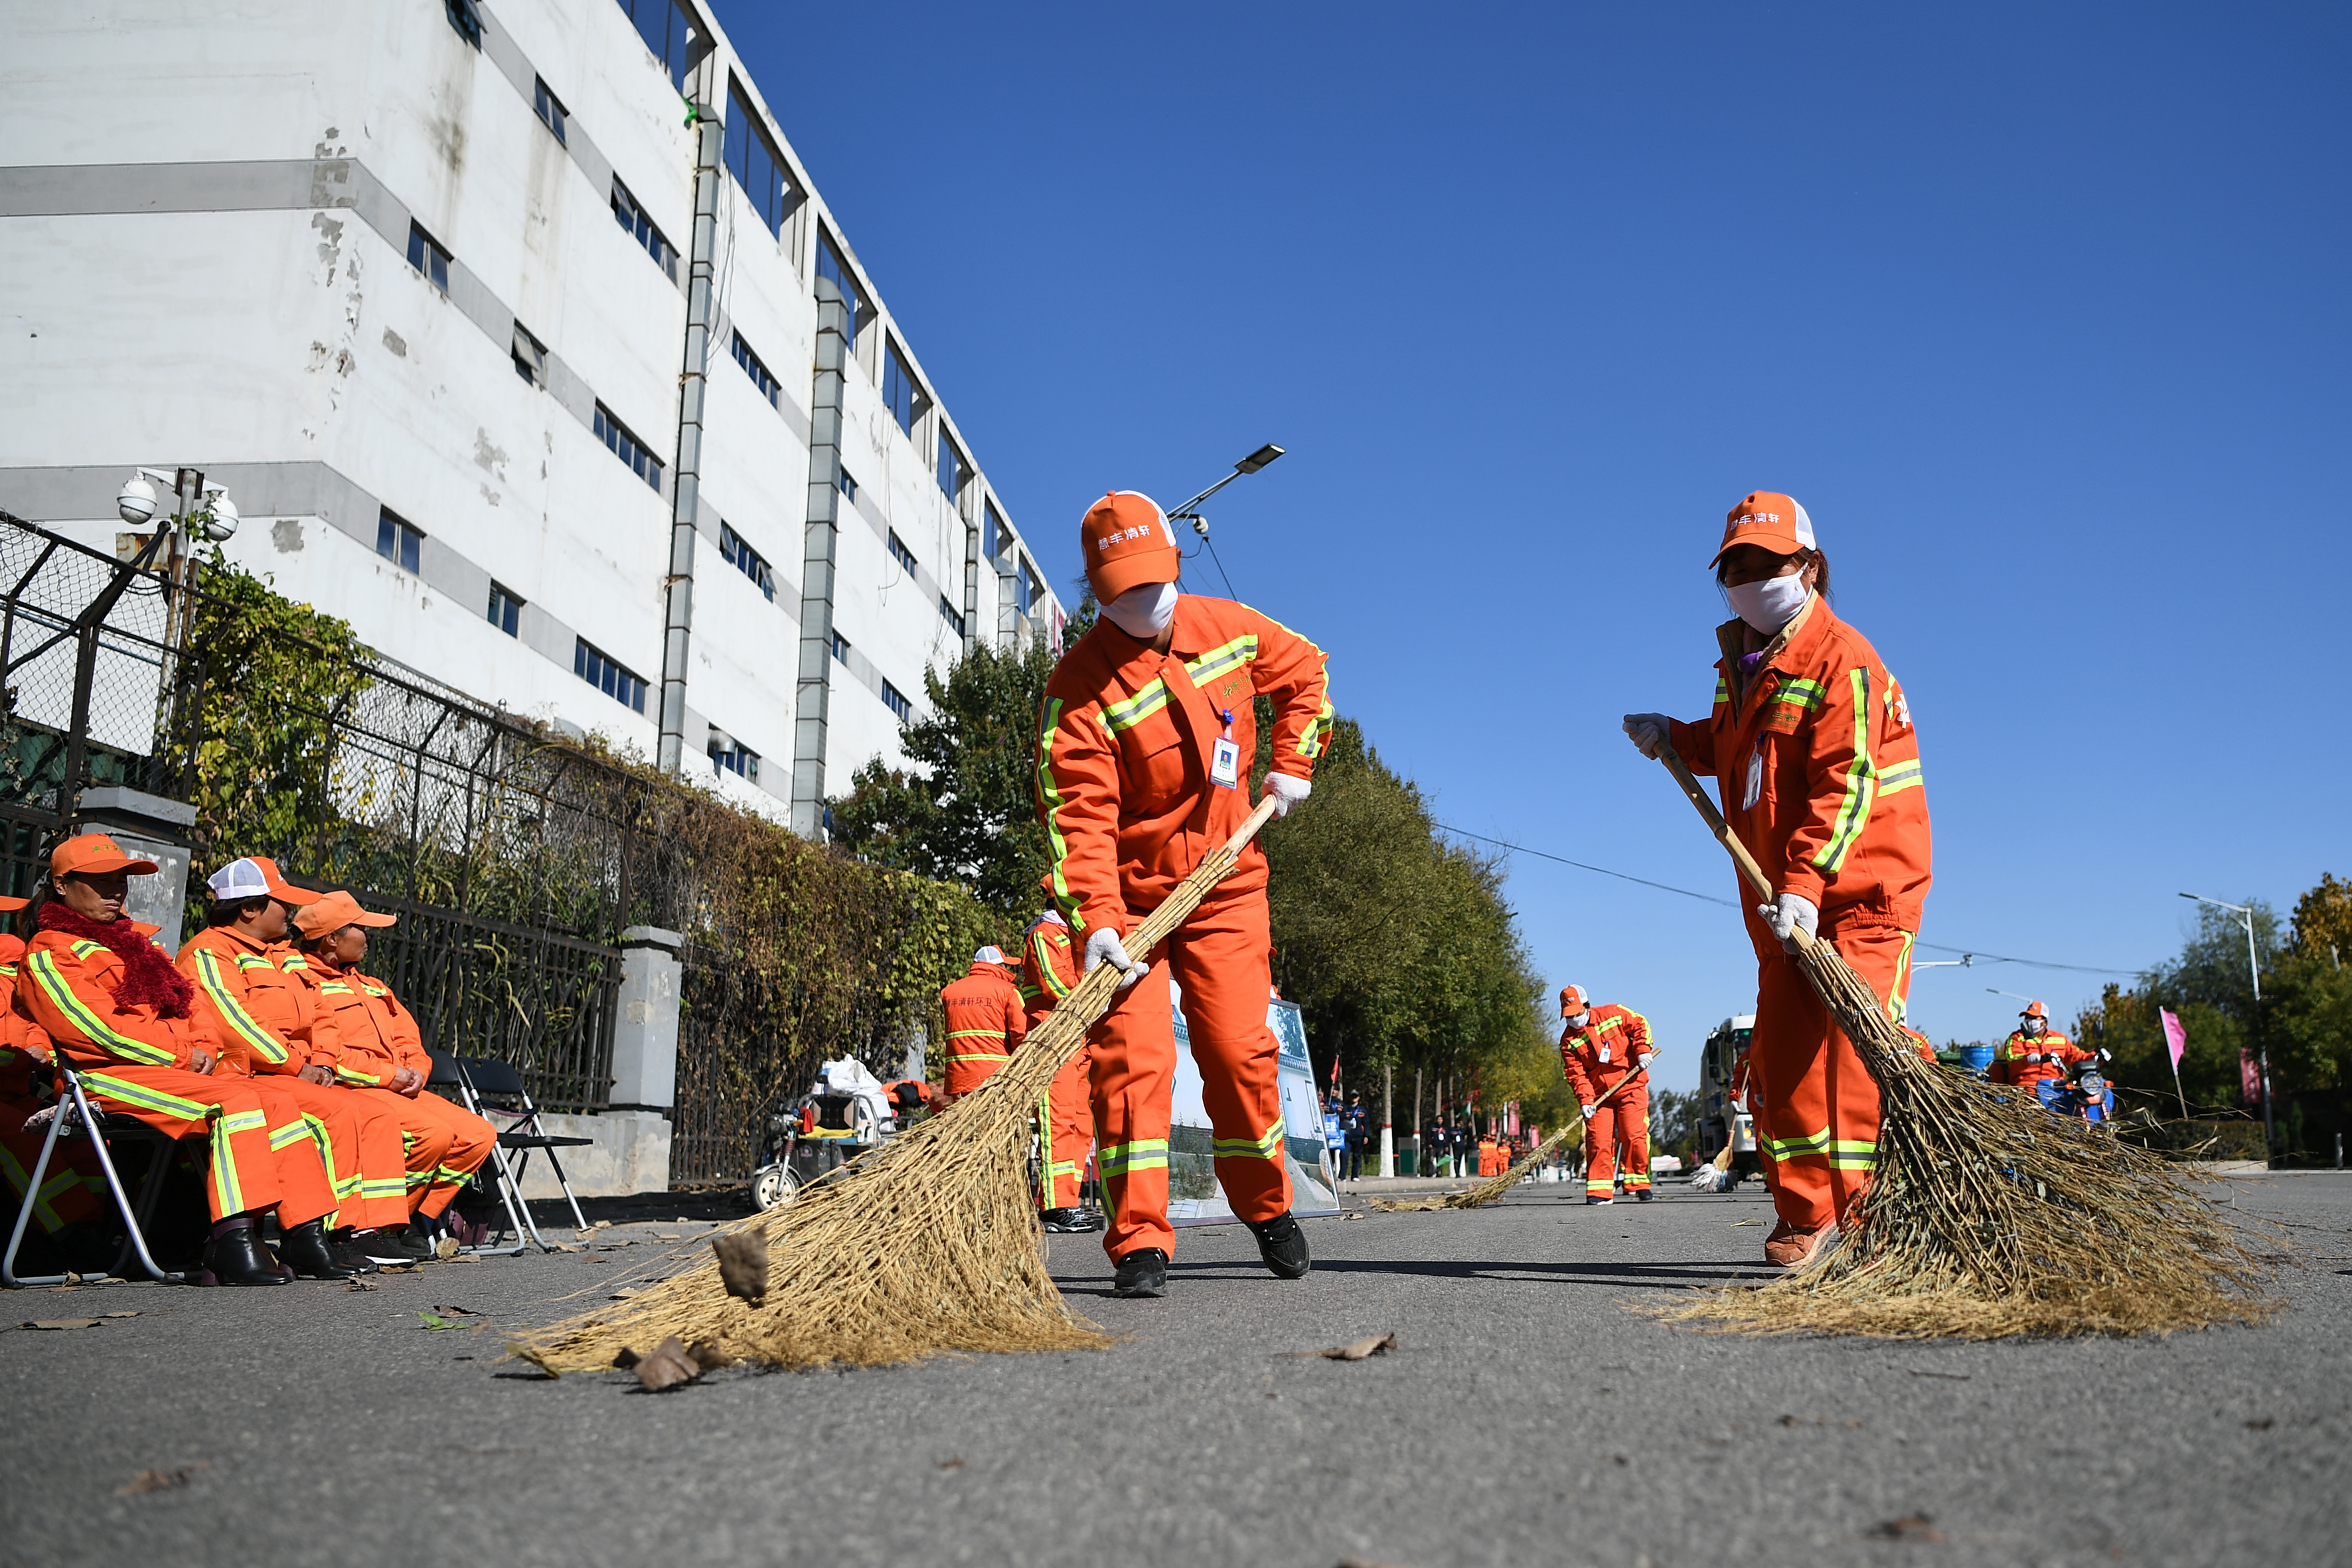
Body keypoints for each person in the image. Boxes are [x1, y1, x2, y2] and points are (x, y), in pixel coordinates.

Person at [1033, 489, 1332, 1298]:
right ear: (1098, 591)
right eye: (1127, 590)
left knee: (1238, 1050)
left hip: (1228, 883)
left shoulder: (1227, 628)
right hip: (1130, 908)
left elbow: (1306, 669)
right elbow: (1080, 820)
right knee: (1134, 1061)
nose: (1149, 601)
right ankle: (1138, 1241)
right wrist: (1096, 921)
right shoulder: (1077, 693)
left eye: (1159, 580)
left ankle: (1268, 1209)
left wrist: (1295, 761)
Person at [1624, 491, 1930, 1269]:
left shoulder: (1843, 659)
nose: (1749, 579)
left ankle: (1867, 1221)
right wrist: (1678, 738)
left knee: (1854, 1060)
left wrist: (1804, 885)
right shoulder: (1743, 664)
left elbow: (1845, 787)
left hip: (1860, 894)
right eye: (1735, 568)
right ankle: (1807, 1211)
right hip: (1779, 906)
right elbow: (1736, 751)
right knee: (1784, 1063)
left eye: (1767, 565)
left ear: (1811, 569)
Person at [15, 834, 344, 1285]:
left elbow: (194, 1009)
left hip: (172, 1073)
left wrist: (204, 1050)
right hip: (103, 1079)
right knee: (238, 1105)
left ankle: (304, 1235)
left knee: (277, 1102)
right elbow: (94, 1031)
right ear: (60, 885)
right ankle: (231, 1240)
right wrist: (184, 1055)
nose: (116, 891)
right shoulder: (50, 950)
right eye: (101, 881)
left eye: (121, 880)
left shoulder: (136, 947)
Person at [179, 858, 414, 1276]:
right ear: (249, 909)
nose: (289, 913)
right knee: (340, 1112)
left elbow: (323, 1015)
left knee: (372, 1112)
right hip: (255, 1075)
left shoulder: (283, 955)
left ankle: (350, 1232)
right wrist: (296, 1066)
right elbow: (235, 1024)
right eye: (280, 902)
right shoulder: (208, 952)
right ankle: (324, 1233)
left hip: (298, 1072)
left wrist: (322, 1060)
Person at [287, 890, 495, 1240]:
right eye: (360, 928)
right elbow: (325, 1054)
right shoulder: (306, 984)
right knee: (433, 1135)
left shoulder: (372, 986)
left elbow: (408, 1038)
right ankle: (383, 1223)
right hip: (355, 1090)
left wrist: (418, 1071)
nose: (369, 936)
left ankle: (416, 1216)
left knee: (479, 1134)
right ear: (332, 939)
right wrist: (389, 1075)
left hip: (400, 1088)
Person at [1017, 907, 1101, 1234]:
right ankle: (1055, 1206)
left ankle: (1068, 1200)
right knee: (1058, 1121)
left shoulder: (1076, 936)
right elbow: (1056, 986)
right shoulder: (1046, 935)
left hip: (1076, 1040)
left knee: (1081, 1122)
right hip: (1054, 1038)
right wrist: (1095, 987)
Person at [1557, 984, 1656, 1204]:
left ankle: (1638, 1183)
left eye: (1576, 1013)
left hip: (1631, 1087)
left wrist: (1642, 1050)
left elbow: (1640, 1024)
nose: (1573, 1019)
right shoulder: (1568, 1042)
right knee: (1598, 1141)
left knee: (1634, 1136)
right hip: (1599, 1098)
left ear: (1586, 1005)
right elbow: (1576, 1075)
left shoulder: (1614, 1014)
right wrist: (1585, 1101)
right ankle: (1600, 1191)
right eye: (1568, 1016)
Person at [938, 946, 1024, 1100]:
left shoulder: (949, 992)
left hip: (959, 1079)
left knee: (966, 1122)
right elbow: (1022, 1034)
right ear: (999, 966)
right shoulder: (1008, 991)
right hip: (995, 1077)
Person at [1994, 1001, 2088, 1109]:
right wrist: (2027, 1059)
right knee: (2030, 1098)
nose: (2029, 1021)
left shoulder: (2059, 1038)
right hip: (2027, 1085)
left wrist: (2096, 1056)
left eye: (2033, 1018)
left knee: (2079, 1096)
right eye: (2027, 1017)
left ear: (2044, 1022)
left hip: (2056, 1086)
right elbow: (2012, 1058)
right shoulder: (2017, 1038)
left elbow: (2078, 1056)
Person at [1341, 1091, 1367, 1182]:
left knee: (1357, 1156)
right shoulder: (1346, 1108)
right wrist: (1343, 1129)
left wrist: (1366, 1136)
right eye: (1352, 1096)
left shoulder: (1362, 1110)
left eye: (1355, 1096)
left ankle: (1355, 1175)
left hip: (1359, 1136)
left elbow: (1366, 1123)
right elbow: (1342, 1119)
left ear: (1359, 1098)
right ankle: (1342, 1176)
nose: (1354, 1098)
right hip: (1347, 1136)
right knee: (1344, 1155)